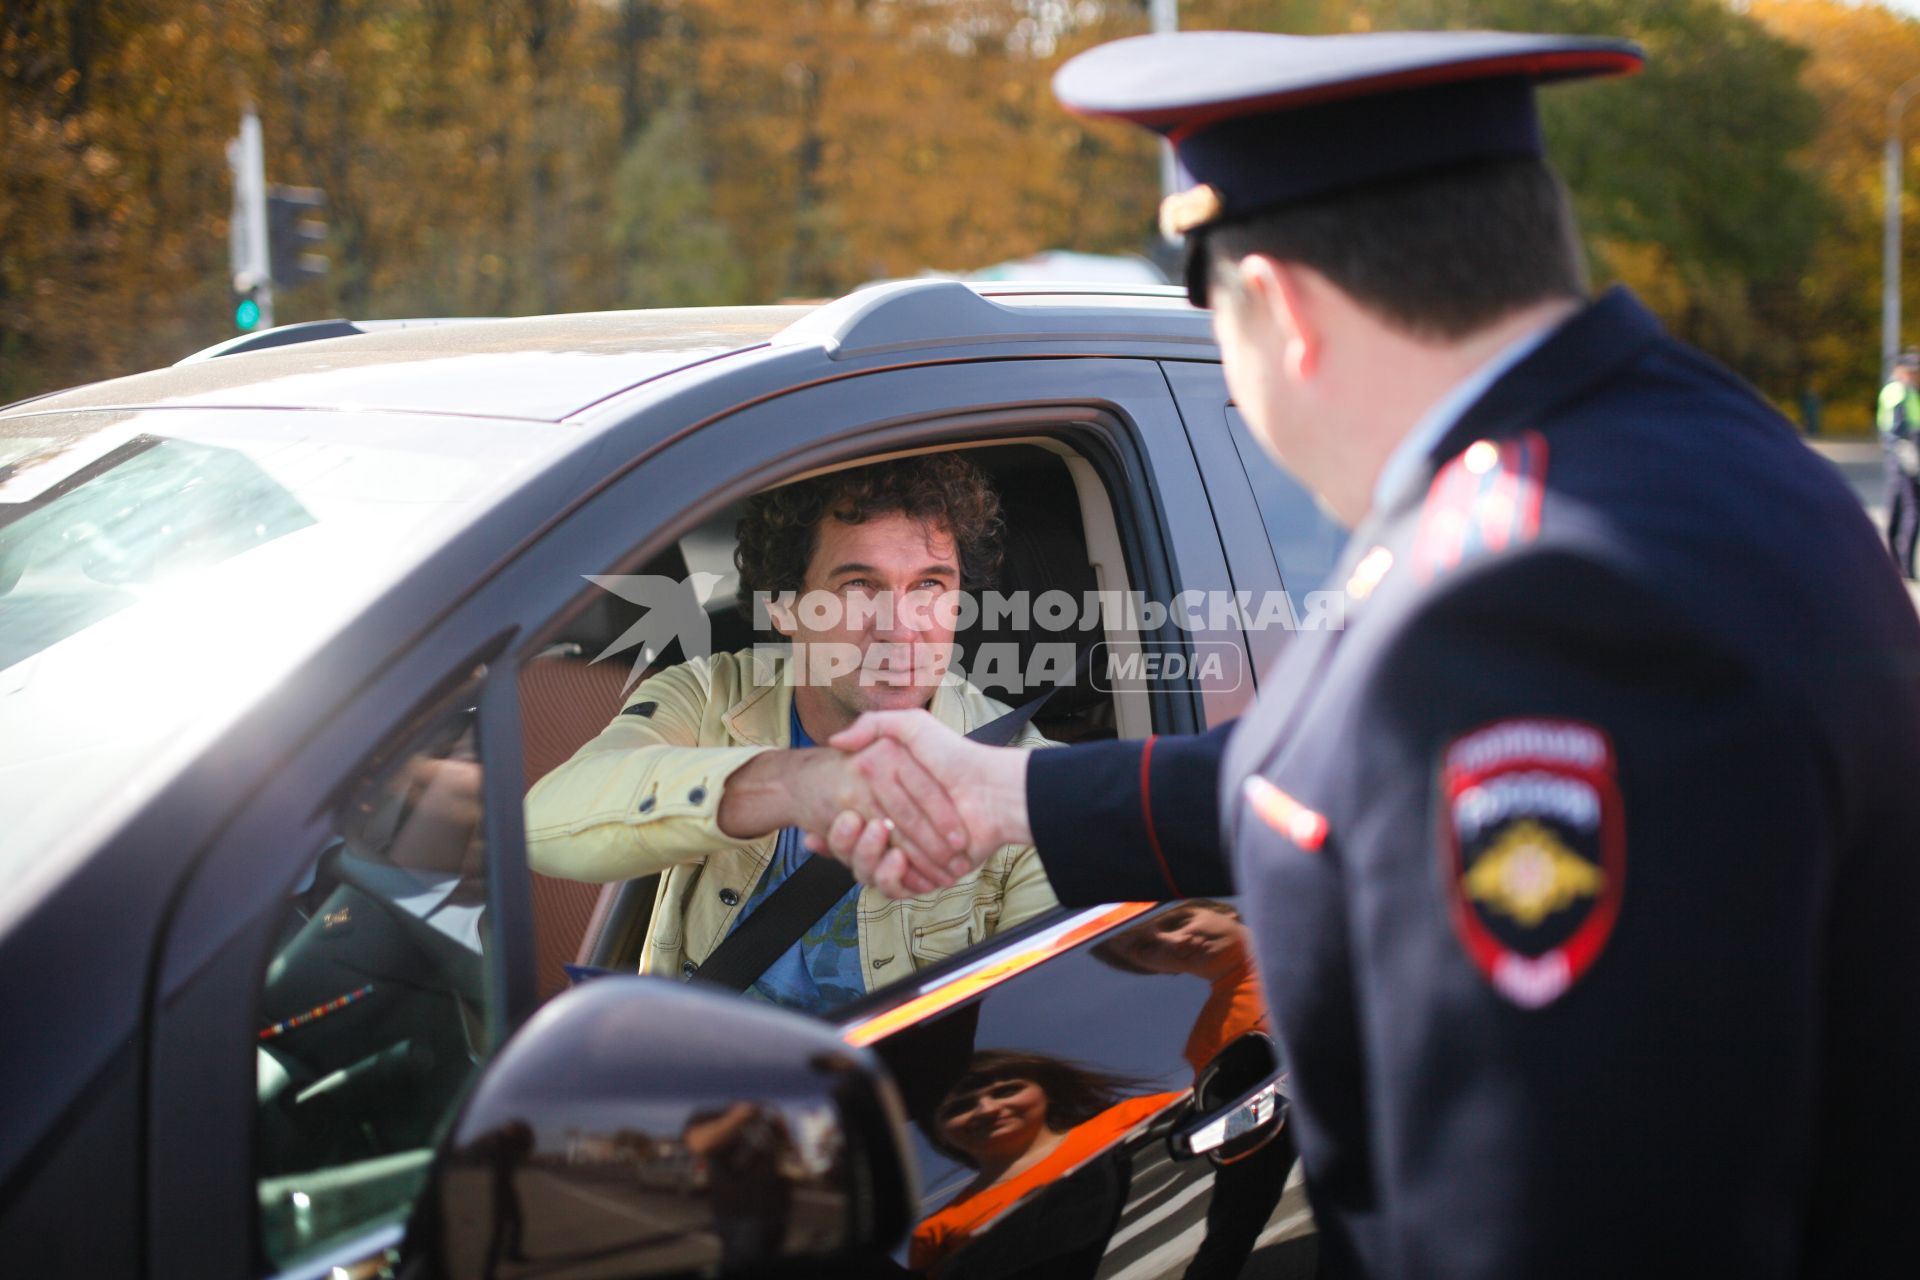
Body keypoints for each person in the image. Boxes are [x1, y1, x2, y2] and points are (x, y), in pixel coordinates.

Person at [809, 29, 1920, 1275]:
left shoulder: (1530, 600)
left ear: (1280, 309)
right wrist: (1005, 791)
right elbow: (1356, 783)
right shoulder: (1703, 458)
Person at [525, 454, 1057, 1013]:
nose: (901, 631)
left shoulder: (1024, 782)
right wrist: (803, 785)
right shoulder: (713, 697)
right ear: (784, 606)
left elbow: (1027, 1036)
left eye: (929, 585)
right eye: (858, 586)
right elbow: (546, 824)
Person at [910, 1050, 1181, 1277]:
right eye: (960, 1108)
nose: (987, 1109)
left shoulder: (1133, 1116)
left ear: (1047, 1092)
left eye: (1006, 1091)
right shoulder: (935, 1232)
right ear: (938, 1132)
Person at [1877, 347, 1920, 577]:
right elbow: (1899, 429)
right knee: (1912, 508)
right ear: (1900, 370)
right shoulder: (1899, 391)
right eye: (1912, 371)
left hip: (1900, 455)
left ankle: (1894, 563)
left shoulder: (1906, 390)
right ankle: (1904, 566)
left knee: (1898, 505)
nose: (1916, 376)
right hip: (1905, 455)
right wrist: (1911, 455)